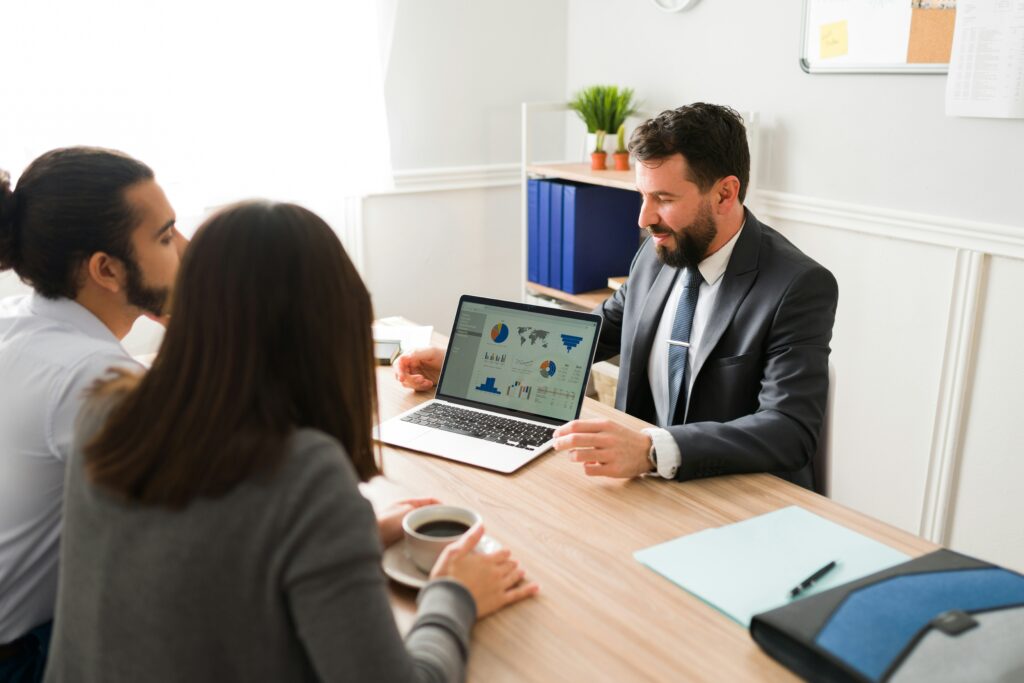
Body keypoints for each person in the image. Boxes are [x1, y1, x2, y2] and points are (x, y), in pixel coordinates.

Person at [44, 201, 538, 683]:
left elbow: (209, 560)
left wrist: (351, 535)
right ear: (331, 326)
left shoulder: (105, 408)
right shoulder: (304, 471)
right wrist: (454, 594)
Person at [395, 103, 837, 491]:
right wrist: (460, 362)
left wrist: (650, 449)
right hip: (645, 487)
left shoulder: (797, 285)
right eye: (642, 196)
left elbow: (790, 429)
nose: (645, 219)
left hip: (737, 497)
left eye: (663, 198)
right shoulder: (658, 251)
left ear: (725, 193)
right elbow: (591, 334)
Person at [0, 147, 186, 682]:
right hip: (24, 659)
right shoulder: (91, 377)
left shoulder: (23, 322)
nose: (181, 251)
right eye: (166, 236)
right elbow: (232, 494)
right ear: (106, 269)